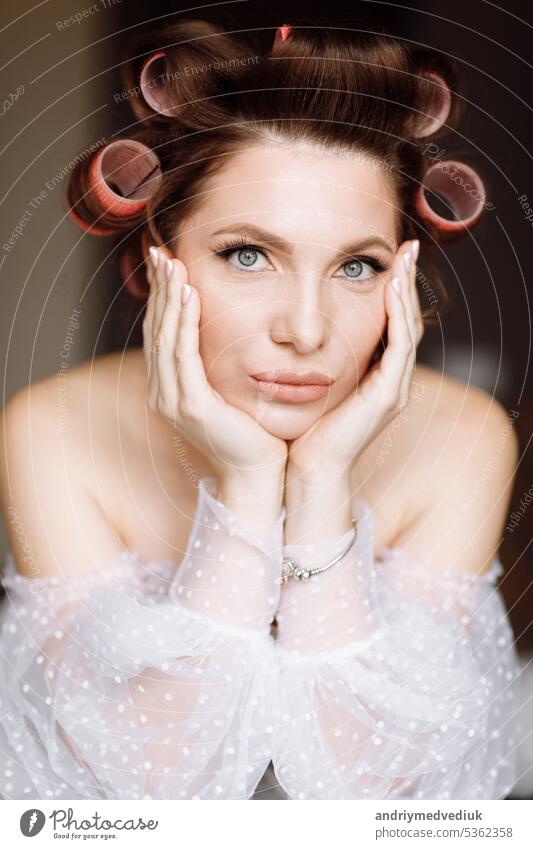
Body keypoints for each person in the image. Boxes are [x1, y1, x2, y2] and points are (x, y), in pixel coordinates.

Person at [0, 19, 520, 800]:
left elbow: (376, 796)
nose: (305, 330)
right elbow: (149, 784)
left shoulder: (463, 437)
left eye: (355, 265)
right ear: (161, 256)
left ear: (401, 279)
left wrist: (319, 491)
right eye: (248, 254)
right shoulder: (52, 432)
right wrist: (244, 485)